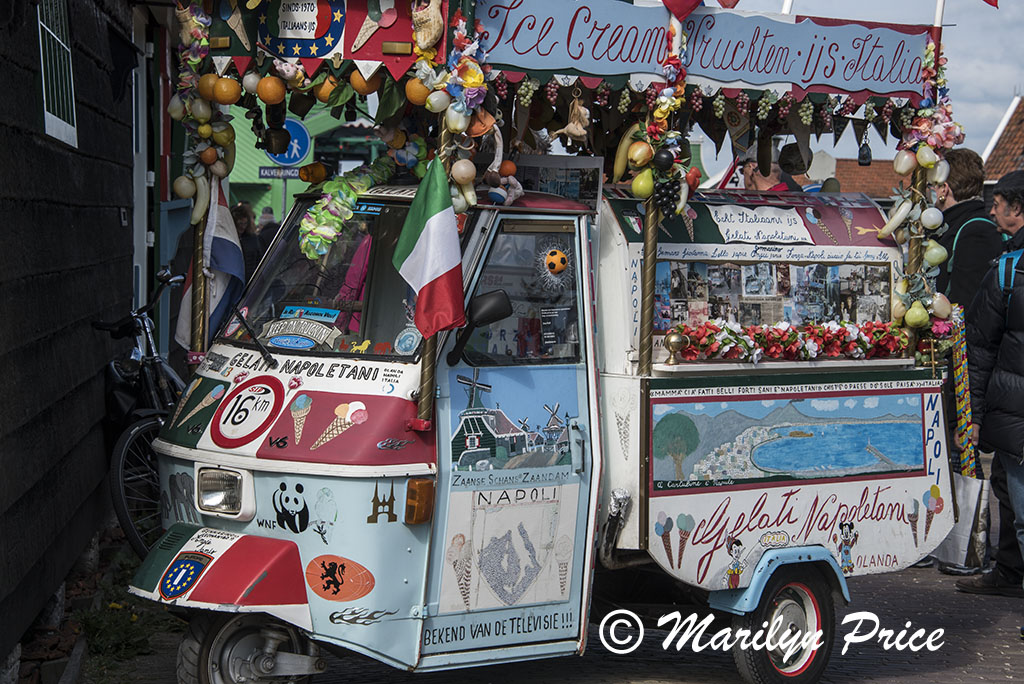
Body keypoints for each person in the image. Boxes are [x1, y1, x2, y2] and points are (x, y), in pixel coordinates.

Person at [954, 170, 1024, 598]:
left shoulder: (1005, 267)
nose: (992, 208)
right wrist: (974, 416)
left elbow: (979, 350)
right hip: (1014, 414)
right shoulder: (1006, 266)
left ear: (1018, 207)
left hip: (1014, 416)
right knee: (1015, 505)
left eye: (999, 201)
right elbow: (980, 350)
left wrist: (974, 417)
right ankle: (1011, 571)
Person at [932, 148, 1004, 312]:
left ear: (944, 189)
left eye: (932, 185)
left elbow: (968, 300)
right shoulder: (956, 224)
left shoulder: (976, 231)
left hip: (961, 335)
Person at [230, 201, 263, 282]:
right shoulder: (230, 238)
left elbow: (259, 259)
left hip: (249, 279)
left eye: (245, 224)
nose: (242, 227)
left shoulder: (252, 238)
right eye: (240, 224)